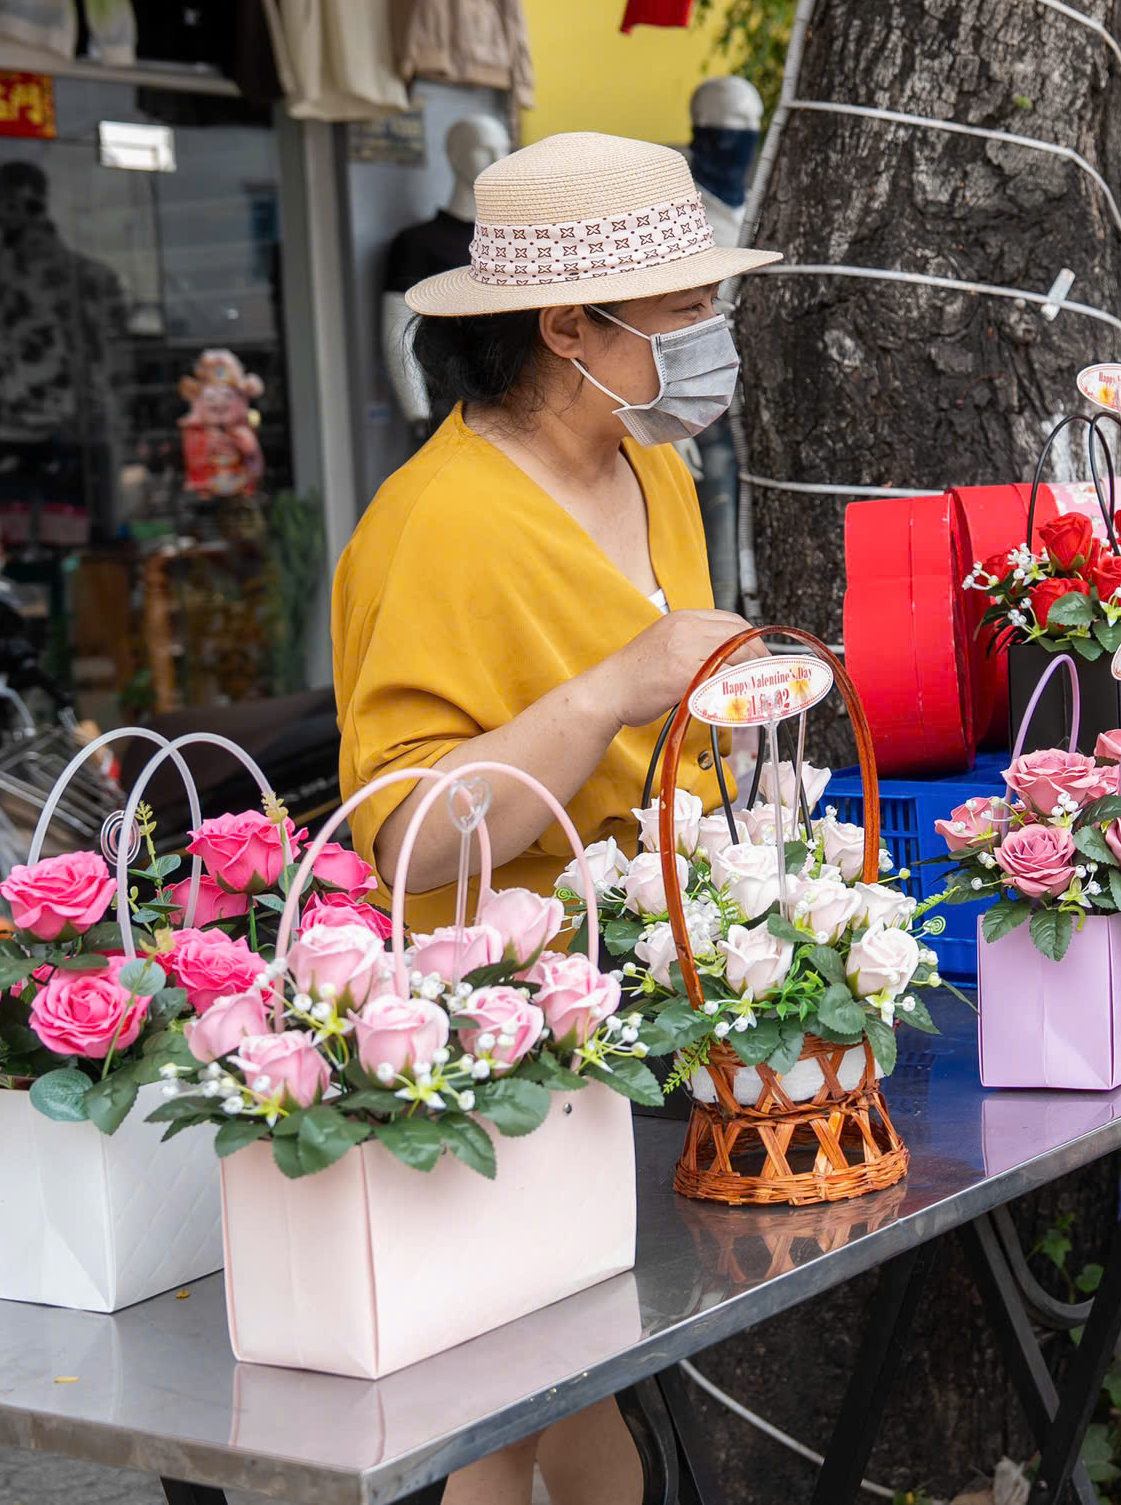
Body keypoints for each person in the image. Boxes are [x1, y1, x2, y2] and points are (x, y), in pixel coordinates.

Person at [332, 130, 780, 1505]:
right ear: (568, 325)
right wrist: (608, 692)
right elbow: (404, 831)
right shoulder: (430, 529)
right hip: (498, 1034)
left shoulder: (652, 469)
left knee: (599, 1391)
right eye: (683, 310)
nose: (710, 337)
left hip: (649, 1002)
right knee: (502, 1415)